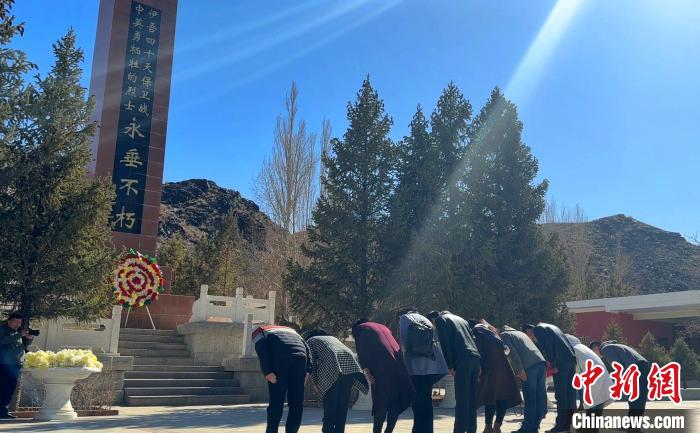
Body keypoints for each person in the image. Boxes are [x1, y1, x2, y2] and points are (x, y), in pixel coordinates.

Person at [352, 319, 415, 433]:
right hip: (399, 364)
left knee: (381, 402)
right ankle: (389, 431)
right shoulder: (383, 327)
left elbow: (361, 349)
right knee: (394, 402)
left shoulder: (360, 328)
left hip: (382, 367)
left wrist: (367, 370)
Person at [305, 329, 369, 433]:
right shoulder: (332, 338)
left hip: (332, 362)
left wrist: (316, 383)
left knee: (330, 403)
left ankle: (328, 430)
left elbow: (312, 363)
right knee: (342, 404)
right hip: (349, 363)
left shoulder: (310, 341)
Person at [427, 311, 481, 433]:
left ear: (433, 321)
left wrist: (450, 365)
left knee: (462, 399)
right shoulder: (463, 320)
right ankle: (472, 430)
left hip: (463, 360)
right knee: (472, 399)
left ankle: (459, 430)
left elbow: (445, 343)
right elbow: (473, 340)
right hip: (475, 358)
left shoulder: (441, 320)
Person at [253, 324, 312, 433]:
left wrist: (267, 371)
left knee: (276, 402)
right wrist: (308, 371)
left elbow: (261, 348)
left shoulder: (259, 330)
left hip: (280, 360)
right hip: (300, 358)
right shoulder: (292, 331)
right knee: (296, 403)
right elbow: (307, 348)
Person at [398, 308, 448, 433]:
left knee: (417, 400)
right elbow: (434, 338)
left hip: (415, 366)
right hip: (431, 365)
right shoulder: (426, 320)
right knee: (427, 399)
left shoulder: (404, 318)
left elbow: (404, 341)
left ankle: (418, 429)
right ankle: (428, 429)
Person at [472, 321, 522, 433]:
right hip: (505, 371)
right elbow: (506, 351)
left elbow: (478, 354)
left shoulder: (478, 334)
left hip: (491, 371)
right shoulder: (494, 336)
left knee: (491, 399)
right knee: (501, 398)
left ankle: (488, 427)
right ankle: (497, 426)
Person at [528, 323, 577, 433]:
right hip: (571, 360)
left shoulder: (539, 329)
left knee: (561, 395)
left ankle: (561, 425)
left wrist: (553, 365)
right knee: (570, 394)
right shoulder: (554, 327)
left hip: (560, 363)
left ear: (529, 331)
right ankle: (570, 424)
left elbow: (547, 347)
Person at [500, 325, 547, 433]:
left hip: (529, 367)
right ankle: (535, 427)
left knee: (530, 399)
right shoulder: (521, 334)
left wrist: (519, 370)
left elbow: (512, 352)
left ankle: (526, 428)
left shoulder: (504, 335)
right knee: (539, 398)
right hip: (541, 364)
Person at [593, 340, 651, 421]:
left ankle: (632, 424)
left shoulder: (605, 349)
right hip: (644, 366)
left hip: (635, 368)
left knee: (634, 398)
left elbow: (619, 367)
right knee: (640, 398)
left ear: (596, 348)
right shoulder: (617, 347)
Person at [0, 311, 33, 419]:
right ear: (9, 321)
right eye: (16, 322)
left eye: (19, 323)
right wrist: (19, 334)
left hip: (16, 364)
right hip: (5, 364)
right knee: (2, 387)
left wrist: (28, 339)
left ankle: (4, 411)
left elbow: (21, 346)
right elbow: (3, 341)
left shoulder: (18, 331)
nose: (18, 325)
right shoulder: (2, 329)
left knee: (10, 388)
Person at [569, 339, 613, 414]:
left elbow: (576, 368)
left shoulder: (574, 350)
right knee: (599, 399)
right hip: (599, 373)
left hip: (592, 374)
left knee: (592, 401)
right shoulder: (582, 348)